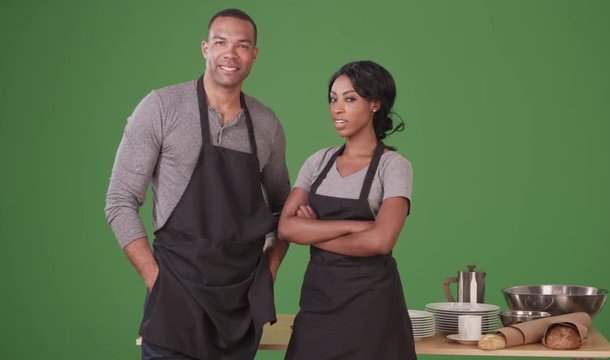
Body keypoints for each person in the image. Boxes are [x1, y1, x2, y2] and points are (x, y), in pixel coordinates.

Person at [104, 8, 290, 360]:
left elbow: (283, 208)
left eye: (242, 45)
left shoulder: (266, 124)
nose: (230, 54)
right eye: (221, 42)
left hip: (239, 306)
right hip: (176, 296)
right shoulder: (161, 107)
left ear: (254, 55)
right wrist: (157, 282)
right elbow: (120, 200)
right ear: (205, 48)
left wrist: (269, 269)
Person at [278, 60, 417, 359]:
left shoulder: (393, 167)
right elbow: (286, 227)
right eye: (333, 99)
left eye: (350, 99)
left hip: (372, 312)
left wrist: (312, 233)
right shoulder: (318, 162)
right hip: (318, 304)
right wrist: (357, 226)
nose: (337, 109)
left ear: (375, 105)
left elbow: (381, 241)